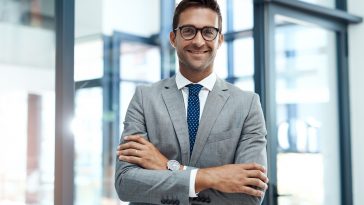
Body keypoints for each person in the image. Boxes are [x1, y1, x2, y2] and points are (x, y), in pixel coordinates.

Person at [114, 0, 269, 204]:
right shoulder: (144, 98)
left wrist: (169, 166)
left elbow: (251, 194)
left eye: (208, 32)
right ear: (173, 38)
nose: (198, 41)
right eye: (188, 31)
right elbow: (126, 184)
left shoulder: (247, 104)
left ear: (220, 40)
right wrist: (213, 177)